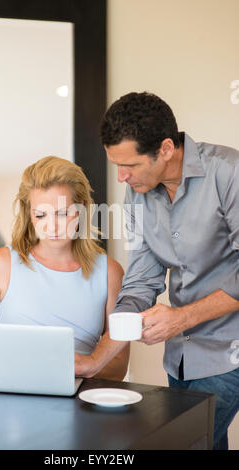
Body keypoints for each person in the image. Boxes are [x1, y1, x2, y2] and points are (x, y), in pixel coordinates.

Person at [100, 91, 239, 450]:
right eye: (116, 165)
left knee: (178, 443)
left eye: (129, 166)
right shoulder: (139, 192)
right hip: (179, 358)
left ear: (165, 149)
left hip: (230, 349)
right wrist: (124, 316)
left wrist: (182, 318)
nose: (121, 177)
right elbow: (143, 274)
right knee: (206, 442)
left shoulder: (229, 173)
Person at [0, 156, 130, 381]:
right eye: (40, 215)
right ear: (29, 214)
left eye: (62, 213)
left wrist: (75, 369)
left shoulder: (110, 273)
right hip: (11, 394)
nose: (51, 226)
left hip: (81, 401)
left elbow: (118, 366)